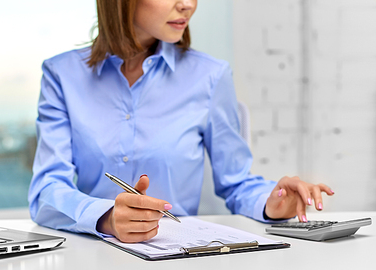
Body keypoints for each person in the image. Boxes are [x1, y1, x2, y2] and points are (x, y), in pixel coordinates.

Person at [28, 0, 334, 243]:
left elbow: (237, 182)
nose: (188, 4)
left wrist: (272, 203)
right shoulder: (62, 75)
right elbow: (46, 190)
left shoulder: (211, 77)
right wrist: (106, 218)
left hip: (177, 260)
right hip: (86, 258)